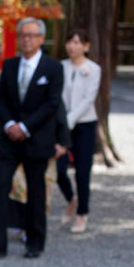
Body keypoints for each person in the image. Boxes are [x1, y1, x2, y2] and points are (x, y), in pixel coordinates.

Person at [0, 18, 66, 259]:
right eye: (23, 35)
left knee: (36, 191)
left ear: (41, 38)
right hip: (9, 137)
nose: (26, 39)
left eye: (31, 35)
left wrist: (26, 127)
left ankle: (35, 242)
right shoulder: (9, 65)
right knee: (0, 187)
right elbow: (3, 99)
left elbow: (52, 103)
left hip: (37, 138)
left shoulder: (53, 68)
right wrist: (9, 124)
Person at [57, 28, 101, 233]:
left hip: (84, 124)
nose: (72, 46)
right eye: (70, 42)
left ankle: (82, 212)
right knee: (59, 168)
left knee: (83, 172)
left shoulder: (94, 69)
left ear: (86, 46)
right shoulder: (59, 67)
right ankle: (71, 199)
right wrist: (62, 122)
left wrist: (69, 120)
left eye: (77, 42)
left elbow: (88, 100)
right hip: (61, 124)